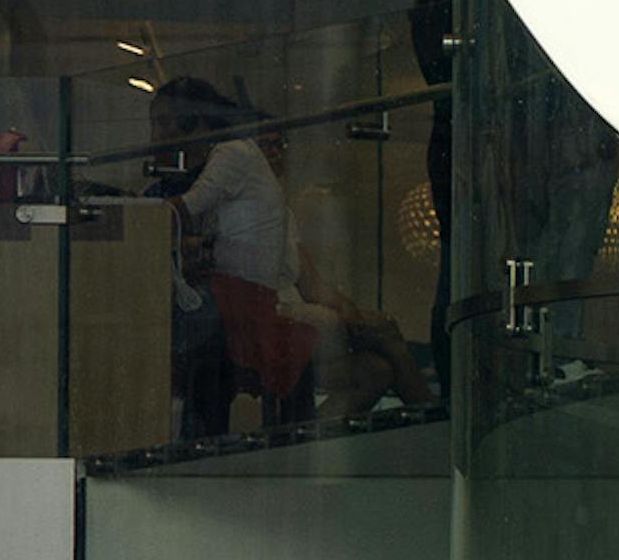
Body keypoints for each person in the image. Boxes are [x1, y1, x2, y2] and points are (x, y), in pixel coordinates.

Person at [154, 76, 430, 425]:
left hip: (287, 306)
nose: (274, 153)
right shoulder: (228, 196)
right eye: (265, 145)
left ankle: (308, 434)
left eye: (279, 144)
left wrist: (351, 311)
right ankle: (435, 415)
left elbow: (312, 283)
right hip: (264, 313)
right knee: (379, 337)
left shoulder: (278, 212)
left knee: (377, 369)